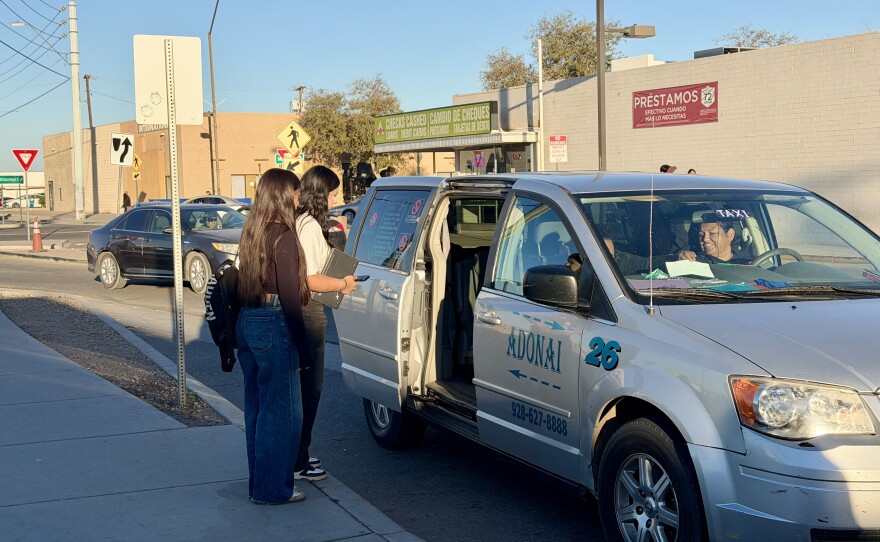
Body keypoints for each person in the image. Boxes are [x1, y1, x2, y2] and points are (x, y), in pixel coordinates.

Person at [235, 168, 311, 505]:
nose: (299, 199)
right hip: (275, 321)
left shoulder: (253, 232)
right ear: (283, 195)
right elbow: (292, 298)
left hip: (249, 318)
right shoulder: (284, 237)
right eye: (296, 193)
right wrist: (304, 349)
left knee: (258, 408)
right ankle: (273, 489)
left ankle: (260, 485)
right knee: (283, 413)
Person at [293, 165, 357, 482]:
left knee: (305, 389)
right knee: (309, 390)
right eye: (333, 193)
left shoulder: (303, 222)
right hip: (308, 312)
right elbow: (310, 278)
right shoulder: (308, 227)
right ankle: (298, 460)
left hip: (304, 311)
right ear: (321, 193)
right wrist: (342, 283)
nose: (336, 199)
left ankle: (299, 454)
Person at [678, 215, 751, 264]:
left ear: (730, 235)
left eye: (712, 233)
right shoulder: (696, 262)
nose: (705, 239)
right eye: (701, 235)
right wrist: (679, 258)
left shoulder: (748, 263)